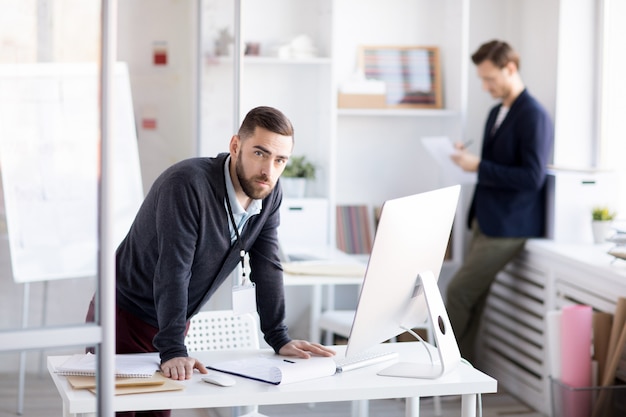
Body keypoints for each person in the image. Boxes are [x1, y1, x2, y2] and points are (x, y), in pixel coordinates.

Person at [86, 106, 335, 417]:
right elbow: (173, 270)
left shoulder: (268, 193)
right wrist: (174, 348)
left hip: (172, 321)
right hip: (122, 316)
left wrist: (278, 337)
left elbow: (267, 264)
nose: (268, 170)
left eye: (280, 160)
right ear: (235, 146)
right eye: (260, 153)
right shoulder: (188, 185)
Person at [446, 40, 554, 364]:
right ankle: (461, 372)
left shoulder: (533, 115)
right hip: (487, 218)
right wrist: (470, 159)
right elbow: (498, 165)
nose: (485, 86)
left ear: (510, 69)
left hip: (509, 226)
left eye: (490, 78)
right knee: (472, 300)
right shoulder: (497, 111)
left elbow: (531, 177)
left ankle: (442, 368)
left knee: (457, 293)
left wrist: (478, 165)